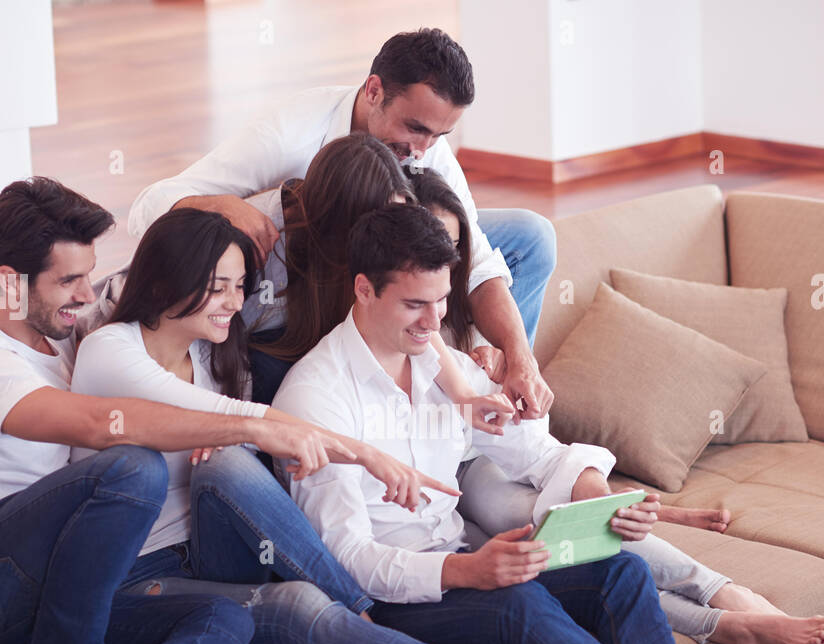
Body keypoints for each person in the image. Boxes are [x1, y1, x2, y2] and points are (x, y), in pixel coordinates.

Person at [273, 203, 816, 644]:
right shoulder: (317, 397)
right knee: (520, 608)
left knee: (618, 575)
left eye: (442, 302)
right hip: (396, 597)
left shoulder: (437, 365)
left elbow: (533, 451)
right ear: (363, 290)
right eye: (415, 305)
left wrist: (603, 499)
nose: (434, 321)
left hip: (467, 562)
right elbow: (346, 558)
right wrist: (466, 570)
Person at [0, 177, 370, 644]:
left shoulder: (62, 329)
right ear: (9, 282)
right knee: (133, 468)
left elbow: (165, 278)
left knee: (226, 615)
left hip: (63, 583)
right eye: (69, 280)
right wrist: (247, 424)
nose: (85, 293)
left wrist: (218, 209)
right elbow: (101, 426)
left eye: (87, 273)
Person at [69, 206, 569, 644]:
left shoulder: (218, 357)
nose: (235, 304)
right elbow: (244, 419)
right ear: (164, 280)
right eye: (218, 287)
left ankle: (357, 610)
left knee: (228, 467)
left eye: (241, 287)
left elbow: (247, 428)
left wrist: (460, 386)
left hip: (210, 550)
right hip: (141, 571)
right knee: (292, 598)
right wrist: (367, 454)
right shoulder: (110, 350)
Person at [408, 167, 824, 644]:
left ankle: (727, 596)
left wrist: (592, 492)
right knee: (538, 551)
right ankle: (728, 621)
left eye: (456, 249)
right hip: (438, 494)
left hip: (488, 456)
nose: (447, 264)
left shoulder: (471, 312)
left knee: (526, 516)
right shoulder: (385, 340)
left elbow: (530, 444)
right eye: (432, 249)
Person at [127, 26, 557, 419]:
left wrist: (516, 354)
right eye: (415, 128)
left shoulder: (425, 150)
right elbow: (147, 208)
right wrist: (221, 204)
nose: (423, 151)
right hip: (297, 290)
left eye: (438, 136)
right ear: (373, 90)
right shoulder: (287, 134)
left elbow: (477, 257)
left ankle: (506, 385)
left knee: (529, 236)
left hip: (377, 266)